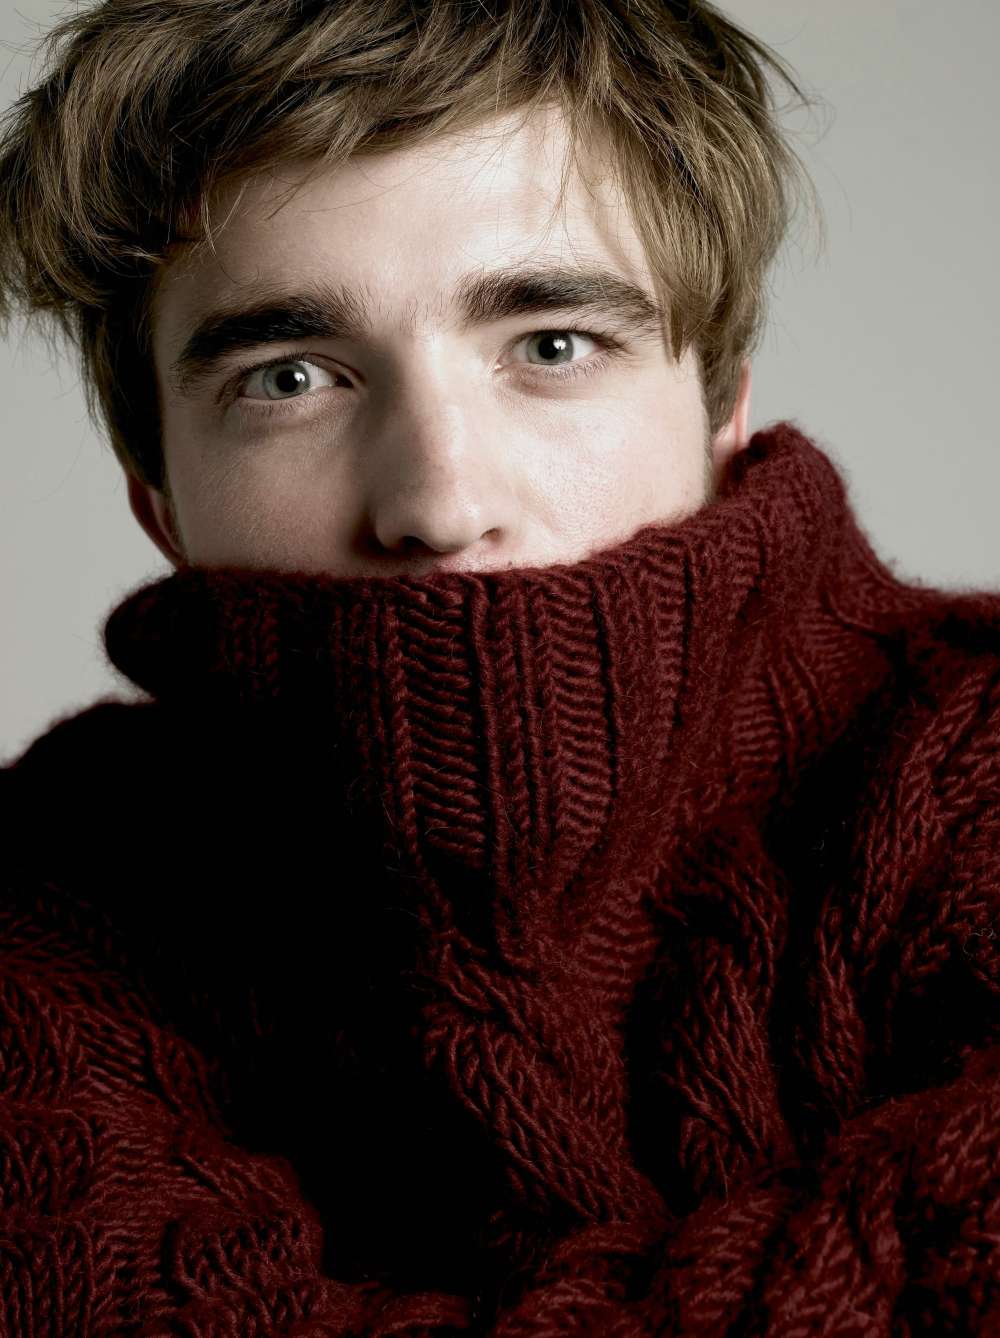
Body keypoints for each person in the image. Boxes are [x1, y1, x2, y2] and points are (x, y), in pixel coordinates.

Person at [1, 2, 998, 1333]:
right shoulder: (48, 900)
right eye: (290, 377)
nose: (439, 501)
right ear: (160, 501)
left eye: (551, 345)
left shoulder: (972, 765)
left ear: (721, 408)